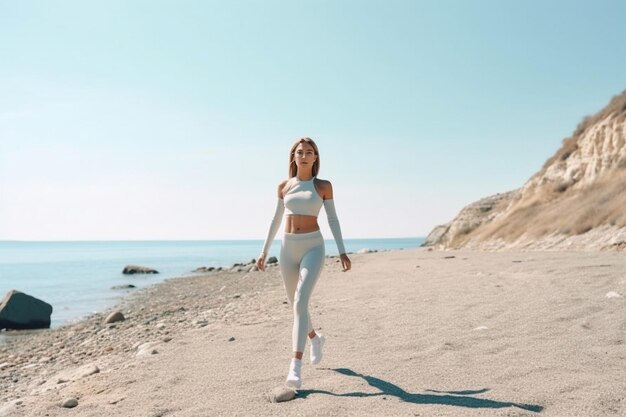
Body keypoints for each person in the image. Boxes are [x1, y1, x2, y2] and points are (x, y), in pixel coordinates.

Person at [256, 137, 351, 389]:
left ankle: (295, 367)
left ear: (316, 157)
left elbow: (333, 220)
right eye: (300, 152)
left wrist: (342, 252)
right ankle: (314, 338)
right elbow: (275, 220)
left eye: (310, 152)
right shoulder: (284, 186)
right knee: (297, 305)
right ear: (294, 157)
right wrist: (264, 251)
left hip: (313, 247)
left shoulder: (323, 186)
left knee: (300, 301)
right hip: (287, 248)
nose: (305, 155)